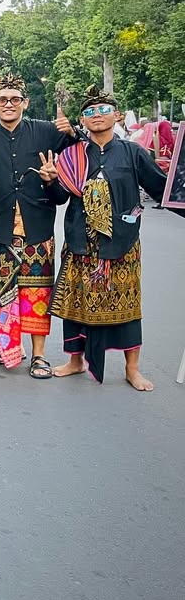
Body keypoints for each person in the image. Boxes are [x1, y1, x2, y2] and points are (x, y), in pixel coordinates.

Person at [46, 88, 182, 391]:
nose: (97, 116)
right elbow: (59, 198)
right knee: (76, 304)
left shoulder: (133, 153)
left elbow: (162, 189)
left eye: (104, 110)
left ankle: (132, 369)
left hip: (122, 243)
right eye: (90, 112)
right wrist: (50, 181)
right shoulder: (74, 155)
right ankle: (75, 361)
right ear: (83, 120)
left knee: (128, 305)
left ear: (117, 116)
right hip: (80, 242)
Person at [0, 75, 75, 377]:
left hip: (37, 226)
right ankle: (7, 346)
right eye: (2, 99)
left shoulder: (46, 132)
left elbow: (77, 157)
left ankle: (39, 355)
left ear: (25, 103)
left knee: (36, 294)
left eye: (15, 99)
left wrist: (72, 133)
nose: (9, 104)